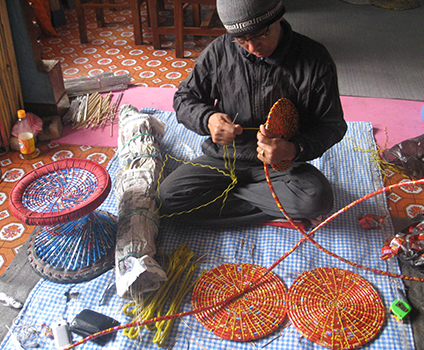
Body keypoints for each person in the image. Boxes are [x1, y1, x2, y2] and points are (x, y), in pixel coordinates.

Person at [155, 0, 347, 227]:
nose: (253, 48)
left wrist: (293, 148)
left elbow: (332, 124)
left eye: (260, 36)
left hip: (281, 166)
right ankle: (274, 210)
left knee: (316, 199)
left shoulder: (315, 59)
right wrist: (208, 119)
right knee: (167, 198)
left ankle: (251, 203)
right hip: (225, 158)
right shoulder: (220, 51)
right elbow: (184, 98)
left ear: (278, 18)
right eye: (242, 40)